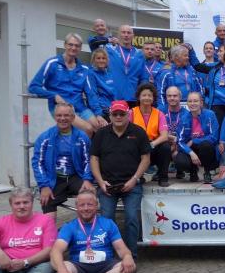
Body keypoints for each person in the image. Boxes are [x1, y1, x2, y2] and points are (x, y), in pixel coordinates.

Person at [50, 189, 136, 273]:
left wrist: (128, 256)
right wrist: (62, 269)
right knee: (63, 266)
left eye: (90, 204)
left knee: (127, 267)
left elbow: (121, 249)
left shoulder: (108, 224)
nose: (86, 208)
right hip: (79, 267)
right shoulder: (69, 227)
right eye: (82, 205)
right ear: (77, 207)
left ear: (96, 205)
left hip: (105, 266)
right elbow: (56, 250)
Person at [90, 100, 151, 259]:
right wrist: (100, 181)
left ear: (128, 114)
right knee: (106, 218)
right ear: (110, 115)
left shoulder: (139, 132)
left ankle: (131, 255)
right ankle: (109, 254)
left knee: (132, 218)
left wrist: (134, 179)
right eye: (115, 114)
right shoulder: (101, 134)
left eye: (121, 114)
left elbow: (146, 158)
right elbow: (94, 159)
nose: (118, 117)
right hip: (107, 185)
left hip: (132, 184)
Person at [29, 33, 105, 135]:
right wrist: (54, 96)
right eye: (70, 44)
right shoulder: (52, 63)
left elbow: (91, 94)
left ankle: (87, 145)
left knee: (100, 128)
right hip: (61, 108)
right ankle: (81, 145)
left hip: (80, 107)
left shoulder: (84, 69)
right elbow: (33, 87)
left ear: (80, 48)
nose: (73, 48)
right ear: (65, 45)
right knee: (88, 129)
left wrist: (98, 114)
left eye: (77, 46)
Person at [32, 103, 94, 218]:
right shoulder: (45, 137)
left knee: (89, 199)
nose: (62, 118)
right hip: (54, 178)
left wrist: (87, 179)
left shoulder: (82, 137)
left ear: (73, 117)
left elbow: (89, 160)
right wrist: (44, 185)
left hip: (76, 176)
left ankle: (84, 228)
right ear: (55, 116)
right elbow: (37, 163)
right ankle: (51, 230)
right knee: (48, 211)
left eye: (66, 115)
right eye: (59, 115)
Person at [189, 43, 225, 126]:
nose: (218, 53)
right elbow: (198, 66)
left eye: (221, 51)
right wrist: (191, 50)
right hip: (216, 106)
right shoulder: (215, 67)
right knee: (217, 130)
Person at [130, 83, 171, 187]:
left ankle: (163, 177)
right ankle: (138, 177)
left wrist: (152, 144)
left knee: (166, 147)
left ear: (153, 98)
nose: (147, 98)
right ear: (139, 97)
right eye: (144, 95)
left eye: (149, 95)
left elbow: (164, 136)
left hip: (153, 145)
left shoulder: (159, 114)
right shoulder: (131, 113)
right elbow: (127, 133)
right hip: (136, 146)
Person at [175, 92, 219, 184]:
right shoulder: (183, 118)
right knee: (180, 161)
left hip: (205, 147)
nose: (192, 103)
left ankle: (207, 172)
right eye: (190, 101)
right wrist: (191, 153)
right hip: (190, 148)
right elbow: (180, 142)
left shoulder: (210, 115)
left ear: (201, 103)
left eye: (195, 101)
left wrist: (194, 141)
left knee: (206, 145)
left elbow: (214, 137)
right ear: (187, 103)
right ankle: (193, 171)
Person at [105, 25, 146, 104]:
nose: (126, 35)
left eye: (129, 33)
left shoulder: (139, 54)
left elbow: (143, 78)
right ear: (118, 35)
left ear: (133, 36)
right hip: (113, 97)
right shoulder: (109, 50)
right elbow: (93, 43)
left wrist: (142, 95)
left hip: (133, 99)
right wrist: (108, 40)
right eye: (123, 32)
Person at [163, 86, 188, 178]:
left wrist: (176, 142)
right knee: (163, 147)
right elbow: (156, 130)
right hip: (164, 141)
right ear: (166, 97)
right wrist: (171, 138)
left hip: (179, 142)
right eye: (169, 96)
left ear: (180, 97)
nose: (172, 98)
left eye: (175, 96)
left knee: (177, 153)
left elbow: (187, 134)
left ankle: (180, 169)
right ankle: (161, 172)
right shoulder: (160, 111)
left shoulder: (186, 113)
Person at [88, 47, 116, 117]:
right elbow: (92, 94)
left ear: (107, 60)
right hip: (102, 109)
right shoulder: (91, 74)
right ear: (94, 60)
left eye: (103, 58)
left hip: (114, 107)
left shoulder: (110, 73)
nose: (101, 60)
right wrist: (98, 112)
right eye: (98, 58)